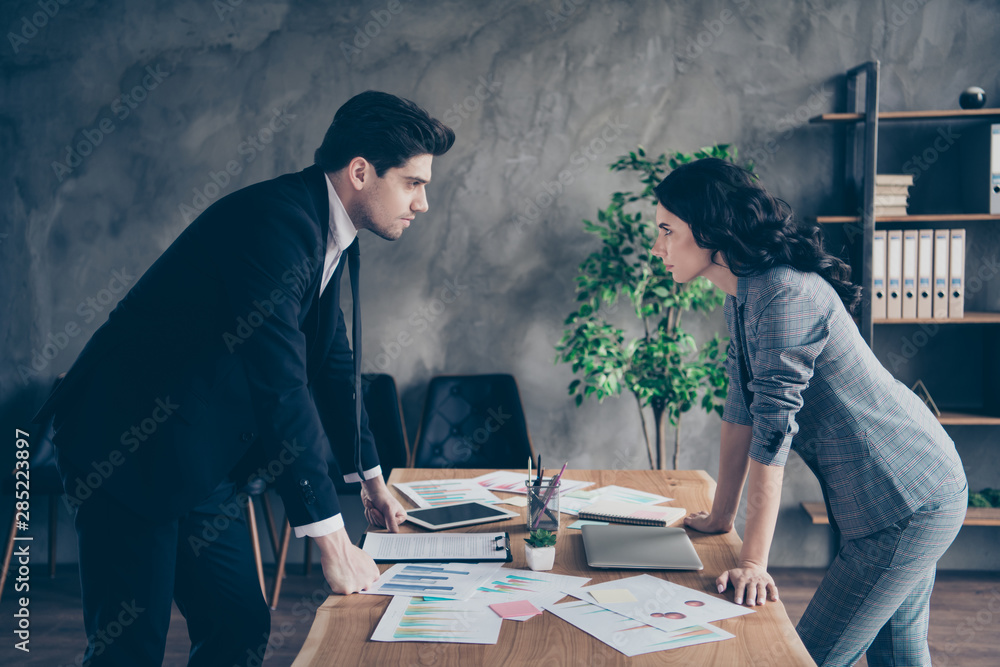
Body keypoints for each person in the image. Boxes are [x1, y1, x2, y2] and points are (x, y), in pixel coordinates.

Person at [33, 90, 454, 666]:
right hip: (123, 451)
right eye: (413, 183)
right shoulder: (273, 224)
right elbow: (280, 382)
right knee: (128, 646)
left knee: (239, 624)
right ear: (361, 172)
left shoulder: (329, 228)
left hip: (199, 457)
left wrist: (369, 478)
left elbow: (330, 361)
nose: (423, 203)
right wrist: (330, 536)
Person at [650, 158, 966, 666]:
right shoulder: (744, 292)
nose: (656, 247)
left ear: (709, 229)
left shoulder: (783, 294)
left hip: (907, 500)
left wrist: (753, 561)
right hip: (902, 496)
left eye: (667, 230)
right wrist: (721, 516)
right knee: (899, 655)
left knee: (806, 659)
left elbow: (774, 431)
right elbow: (742, 406)